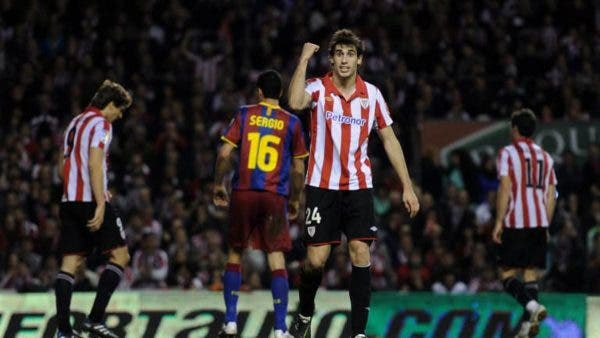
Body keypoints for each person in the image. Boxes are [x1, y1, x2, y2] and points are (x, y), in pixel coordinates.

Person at [287, 29, 420, 338]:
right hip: (322, 187)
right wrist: (304, 58)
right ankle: (305, 313)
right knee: (314, 262)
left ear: (359, 60)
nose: (344, 59)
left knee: (360, 253)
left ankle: (358, 333)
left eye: (350, 54)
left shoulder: (372, 95)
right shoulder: (318, 88)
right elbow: (294, 102)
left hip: (359, 187)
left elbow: (389, 139)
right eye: (339, 54)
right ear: (331, 59)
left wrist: (408, 186)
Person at [213, 70, 308, 338]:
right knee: (276, 257)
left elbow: (224, 154)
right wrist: (296, 199)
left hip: (243, 192)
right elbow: (299, 170)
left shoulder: (244, 114)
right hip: (274, 196)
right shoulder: (292, 122)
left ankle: (230, 322)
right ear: (280, 94)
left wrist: (218, 184)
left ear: (259, 92)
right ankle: (280, 329)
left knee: (235, 253)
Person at [55, 80, 132, 338]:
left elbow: (60, 167)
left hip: (69, 200)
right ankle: (94, 319)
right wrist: (100, 202)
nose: (120, 115)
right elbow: (95, 164)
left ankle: (64, 331)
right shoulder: (102, 124)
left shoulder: (74, 123)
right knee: (121, 256)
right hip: (90, 199)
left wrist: (74, 190)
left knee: (70, 263)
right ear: (110, 105)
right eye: (120, 110)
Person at [492, 108, 557, 337]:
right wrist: (546, 224)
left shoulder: (508, 153)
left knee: (507, 275)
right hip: (539, 221)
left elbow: (505, 187)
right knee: (530, 274)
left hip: (516, 221)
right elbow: (551, 195)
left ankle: (533, 307)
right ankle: (527, 327)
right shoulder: (546, 157)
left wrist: (499, 221)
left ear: (515, 128)